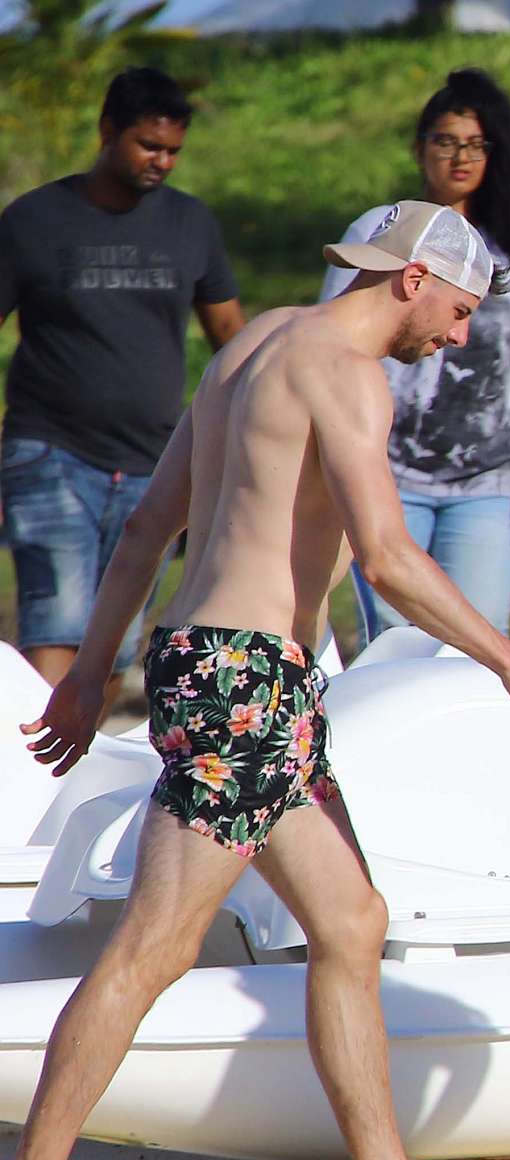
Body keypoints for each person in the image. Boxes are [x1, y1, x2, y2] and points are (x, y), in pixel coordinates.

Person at [1, 200, 510, 1160]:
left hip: (220, 666)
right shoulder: (345, 369)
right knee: (152, 949)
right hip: (246, 681)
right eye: (458, 311)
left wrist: (89, 675)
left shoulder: (253, 343)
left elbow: (147, 529)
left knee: (351, 922)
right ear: (412, 278)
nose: (458, 338)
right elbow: (389, 556)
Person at [0, 66, 245, 693]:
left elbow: (231, 338)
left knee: (115, 643)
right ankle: (30, 787)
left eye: (173, 151)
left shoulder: (190, 224)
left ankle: (73, 780)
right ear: (109, 130)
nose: (162, 161)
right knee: (55, 624)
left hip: (154, 462)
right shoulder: (33, 221)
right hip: (49, 451)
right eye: (149, 145)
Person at [319, 68, 510, 649]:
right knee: (393, 640)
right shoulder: (381, 230)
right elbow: (330, 340)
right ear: (419, 147)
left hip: (490, 474)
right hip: (385, 467)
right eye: (445, 141)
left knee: (480, 642)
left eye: (476, 144)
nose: (460, 157)